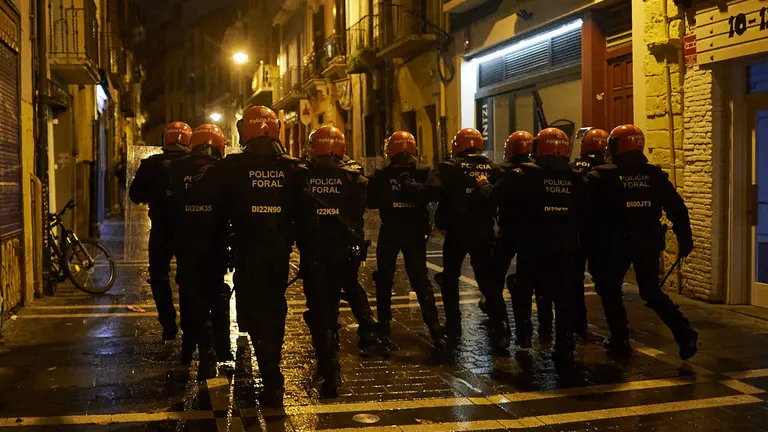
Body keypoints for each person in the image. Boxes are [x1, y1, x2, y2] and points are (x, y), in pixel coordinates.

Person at [206, 106, 306, 407]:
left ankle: (271, 373)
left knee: (253, 307)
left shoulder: (231, 167)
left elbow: (207, 200)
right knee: (275, 305)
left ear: (244, 132)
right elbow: (305, 213)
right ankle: (272, 361)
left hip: (246, 251)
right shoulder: (293, 167)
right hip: (279, 251)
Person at [585, 124, 698, 360]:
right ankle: (684, 332)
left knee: (610, 290)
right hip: (648, 242)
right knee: (650, 291)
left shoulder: (602, 176)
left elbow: (587, 213)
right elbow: (677, 208)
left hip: (616, 244)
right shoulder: (654, 176)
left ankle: (620, 338)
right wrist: (685, 239)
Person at [493, 128, 585, 364]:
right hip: (566, 248)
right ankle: (564, 344)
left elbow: (495, 198)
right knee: (564, 296)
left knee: (523, 289)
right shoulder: (576, 178)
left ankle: (525, 338)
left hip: (532, 246)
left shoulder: (522, 175)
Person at [298, 125, 367, 398]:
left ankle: (329, 368)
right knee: (334, 306)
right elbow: (359, 212)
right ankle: (333, 359)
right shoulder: (353, 178)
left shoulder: (302, 176)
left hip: (313, 253)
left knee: (319, 310)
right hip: (342, 252)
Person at [431, 128, 510, 350]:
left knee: (450, 280)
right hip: (482, 232)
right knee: (487, 281)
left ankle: (454, 327)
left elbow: (435, 192)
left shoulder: (449, 167)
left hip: (457, 232)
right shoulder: (492, 168)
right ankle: (502, 325)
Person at [368, 131, 445, 349]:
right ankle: (434, 327)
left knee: (385, 279)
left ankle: (384, 326)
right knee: (419, 279)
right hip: (413, 232)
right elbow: (435, 193)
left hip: (392, 231)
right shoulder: (422, 172)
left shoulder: (382, 175)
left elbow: (371, 201)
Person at [166, 124, 229, 379]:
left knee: (191, 297)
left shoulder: (177, 169)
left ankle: (190, 346)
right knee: (214, 296)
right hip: (215, 248)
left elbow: (169, 207)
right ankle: (213, 352)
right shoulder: (222, 171)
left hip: (186, 247)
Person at [129, 121, 192, 341]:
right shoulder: (194, 164)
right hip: (188, 230)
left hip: (161, 229)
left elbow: (135, 195)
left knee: (159, 276)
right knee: (188, 277)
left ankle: (168, 324)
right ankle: (189, 323)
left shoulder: (151, 164)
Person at [489, 131, 552, 348]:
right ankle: (546, 328)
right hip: (536, 235)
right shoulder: (542, 171)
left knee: (500, 277)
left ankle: (508, 323)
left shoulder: (509, 173)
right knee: (543, 282)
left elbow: (493, 196)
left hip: (511, 231)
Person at [570, 128, 610, 339]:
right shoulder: (608, 169)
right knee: (604, 280)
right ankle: (617, 331)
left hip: (575, 229)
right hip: (600, 231)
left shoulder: (573, 166)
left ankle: (578, 324)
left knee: (575, 279)